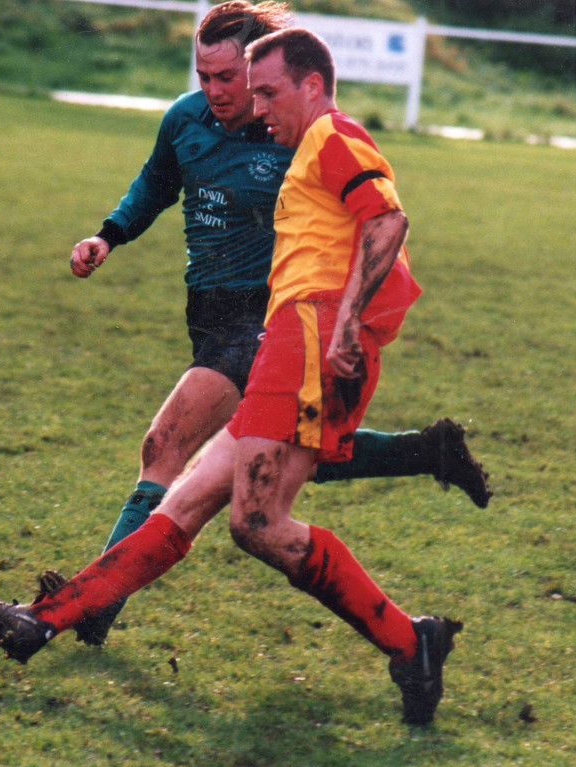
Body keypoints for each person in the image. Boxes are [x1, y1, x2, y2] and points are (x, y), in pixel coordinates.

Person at [0, 27, 463, 726]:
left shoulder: (333, 134)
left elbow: (387, 220)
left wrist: (349, 322)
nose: (259, 108)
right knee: (187, 500)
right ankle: (41, 622)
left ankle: (409, 640)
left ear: (312, 85)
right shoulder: (303, 150)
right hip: (284, 339)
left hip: (309, 337)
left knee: (256, 522)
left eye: (269, 92)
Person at [58, 0, 488, 648]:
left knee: (167, 445)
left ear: (261, 70)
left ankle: (94, 604)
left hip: (265, 320)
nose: (217, 91)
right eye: (204, 76)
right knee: (269, 457)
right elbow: (156, 183)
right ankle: (424, 452)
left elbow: (368, 216)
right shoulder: (185, 120)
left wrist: (351, 313)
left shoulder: (294, 132)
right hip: (208, 312)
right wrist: (109, 234)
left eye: (230, 78)